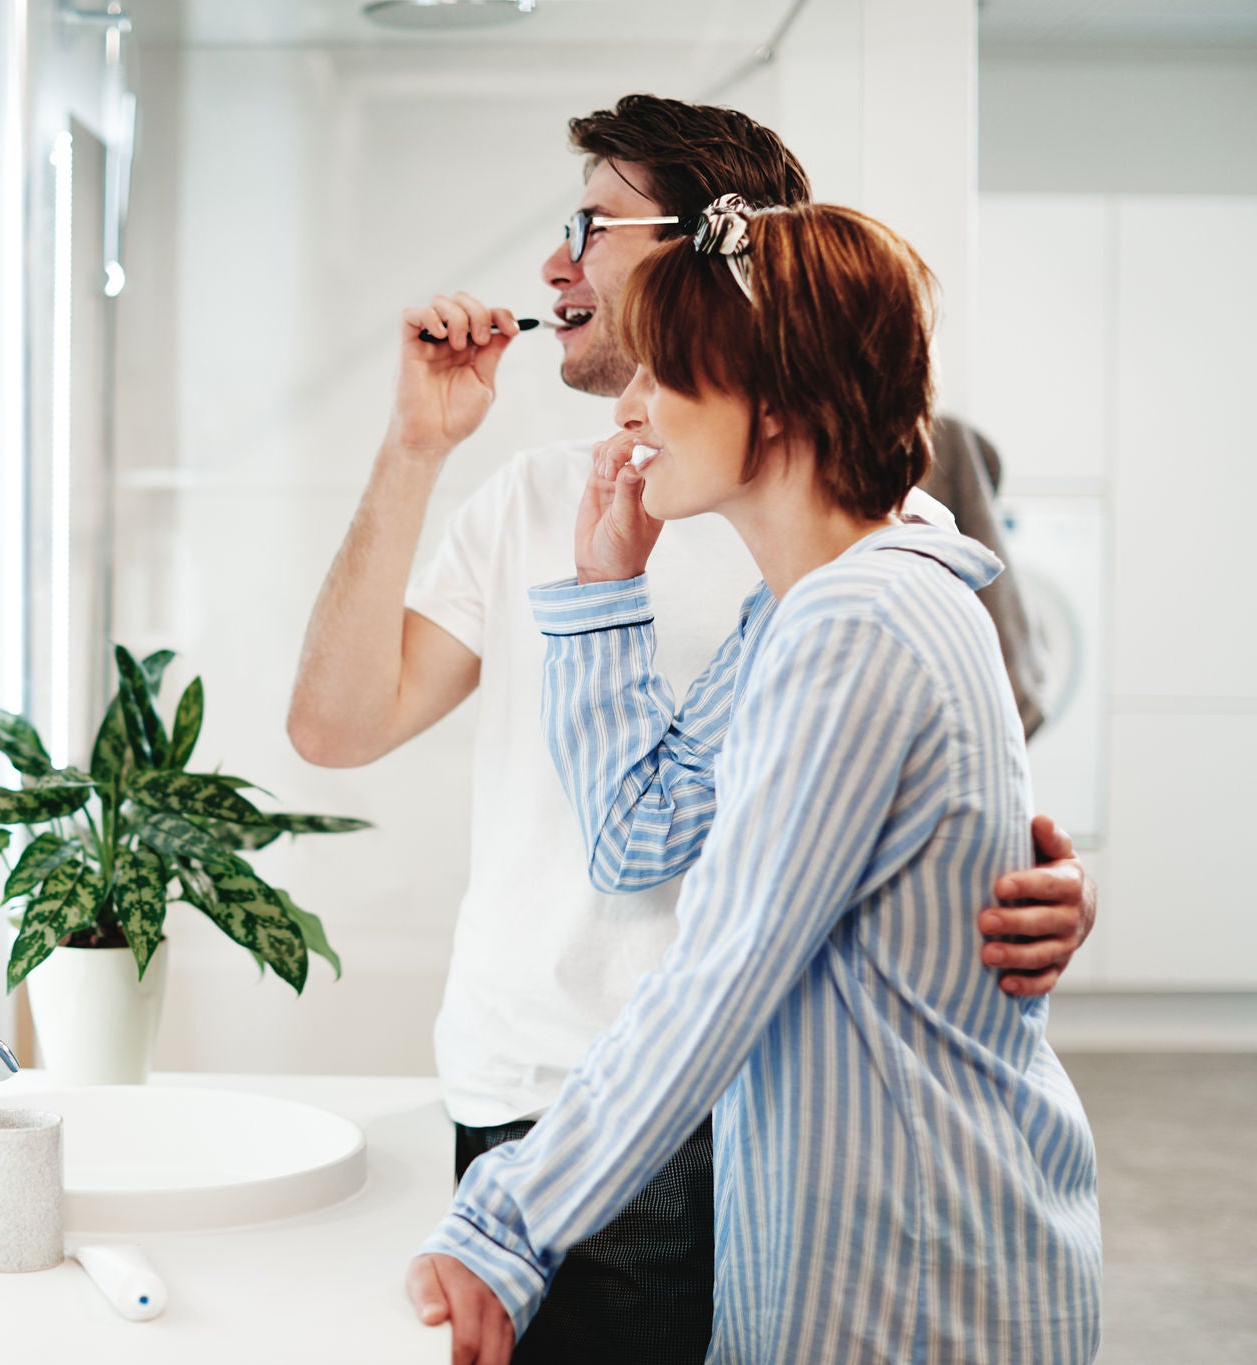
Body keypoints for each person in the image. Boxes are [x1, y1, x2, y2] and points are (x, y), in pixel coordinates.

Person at [286, 95, 1098, 1362]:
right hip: (585, 1103)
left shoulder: (867, 570)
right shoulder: (607, 511)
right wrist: (421, 454)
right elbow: (601, 818)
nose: (555, 261)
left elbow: (757, 938)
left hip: (753, 1121)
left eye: (591, 225)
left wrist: (1033, 883)